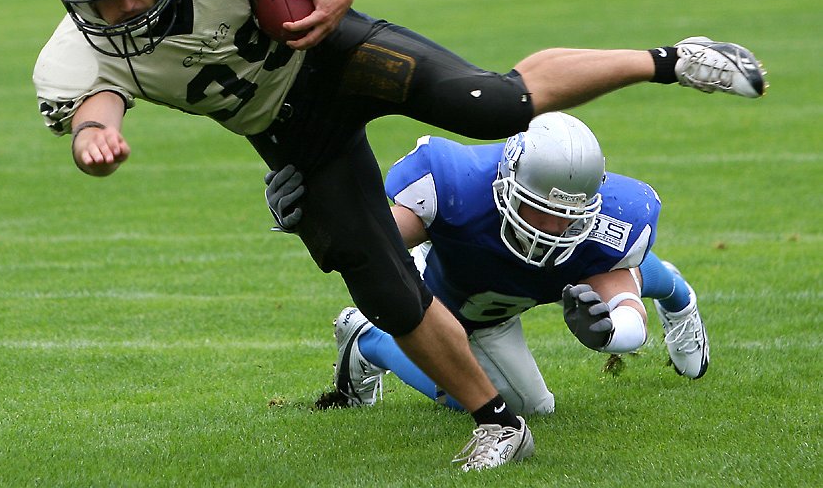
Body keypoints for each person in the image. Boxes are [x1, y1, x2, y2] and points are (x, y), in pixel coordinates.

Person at [33, 0, 764, 471]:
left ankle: (673, 60)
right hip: (290, 131)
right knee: (381, 283)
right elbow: (95, 105)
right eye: (103, 2)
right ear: (75, 3)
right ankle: (498, 423)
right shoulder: (75, 55)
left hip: (329, 49)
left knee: (493, 103)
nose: (124, 11)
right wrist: (97, 137)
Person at [267, 112, 708, 422]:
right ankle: (369, 341)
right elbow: (374, 239)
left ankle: (679, 297)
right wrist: (315, 220)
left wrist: (608, 334)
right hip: (457, 302)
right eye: (540, 209)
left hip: (509, 291)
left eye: (569, 215)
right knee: (524, 408)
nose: (554, 228)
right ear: (508, 183)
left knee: (613, 266)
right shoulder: (458, 187)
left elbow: (627, 307)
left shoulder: (611, 221)